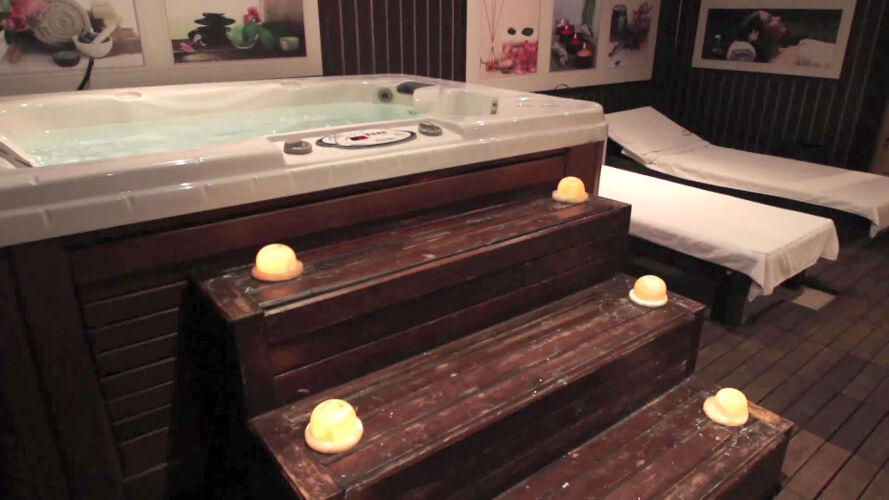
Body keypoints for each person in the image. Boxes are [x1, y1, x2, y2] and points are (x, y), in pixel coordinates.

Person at [732, 10, 834, 67]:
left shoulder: (800, 48)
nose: (778, 18)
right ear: (754, 34)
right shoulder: (783, 62)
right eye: (770, 20)